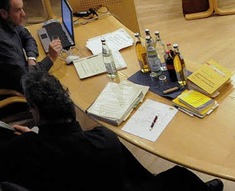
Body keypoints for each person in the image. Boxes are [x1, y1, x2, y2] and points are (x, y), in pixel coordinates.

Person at [0, 70, 223, 191]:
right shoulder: (103, 139)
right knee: (179, 175)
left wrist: (30, 140)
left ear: (36, 110)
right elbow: (139, 176)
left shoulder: (21, 150)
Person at [0, 0, 61, 92]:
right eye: (18, 10)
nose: (23, 14)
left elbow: (27, 36)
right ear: (4, 13)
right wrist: (50, 57)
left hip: (25, 75)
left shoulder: (9, 22)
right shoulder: (4, 45)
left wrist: (31, 58)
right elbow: (29, 80)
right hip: (21, 95)